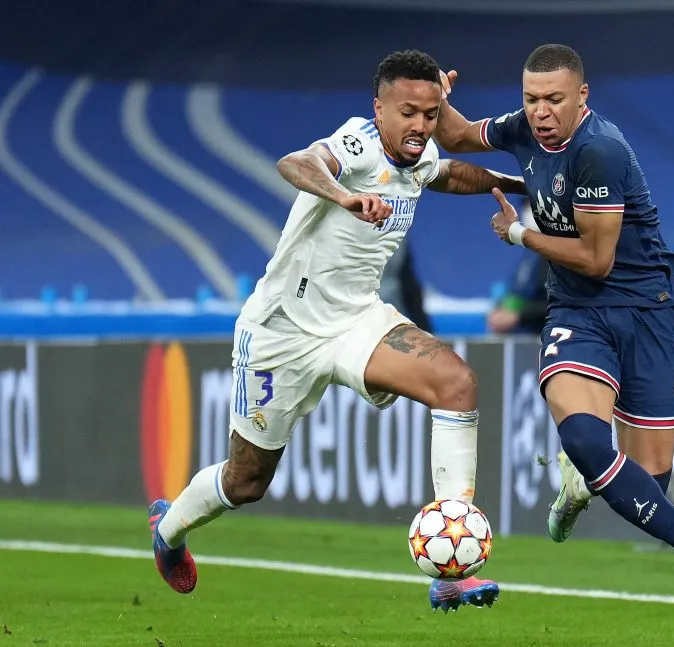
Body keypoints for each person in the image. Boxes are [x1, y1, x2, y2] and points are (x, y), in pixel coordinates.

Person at [147, 49, 526, 614]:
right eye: (407, 113)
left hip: (355, 321)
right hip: (281, 330)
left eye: (429, 114)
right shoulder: (356, 143)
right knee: (247, 480)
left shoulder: (415, 156)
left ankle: (452, 569)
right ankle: (168, 532)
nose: (420, 126)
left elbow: (447, 174)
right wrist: (346, 196)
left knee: (457, 383)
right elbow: (294, 163)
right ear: (379, 109)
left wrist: (521, 183)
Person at [433, 44, 674, 623]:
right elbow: (455, 137)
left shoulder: (599, 150)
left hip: (643, 309)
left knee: (648, 483)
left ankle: (578, 484)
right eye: (531, 99)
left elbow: (597, 258)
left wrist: (519, 236)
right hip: (577, 315)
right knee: (585, 438)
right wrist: (438, 98)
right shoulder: (524, 128)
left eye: (554, 99)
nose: (540, 111)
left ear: (583, 96)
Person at [487, 205, 548, 335]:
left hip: (544, 337)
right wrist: (500, 311)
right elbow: (516, 294)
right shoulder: (529, 255)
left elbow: (557, 303)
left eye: (531, 205)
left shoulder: (555, 254)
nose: (527, 212)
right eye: (525, 206)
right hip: (520, 338)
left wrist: (518, 316)